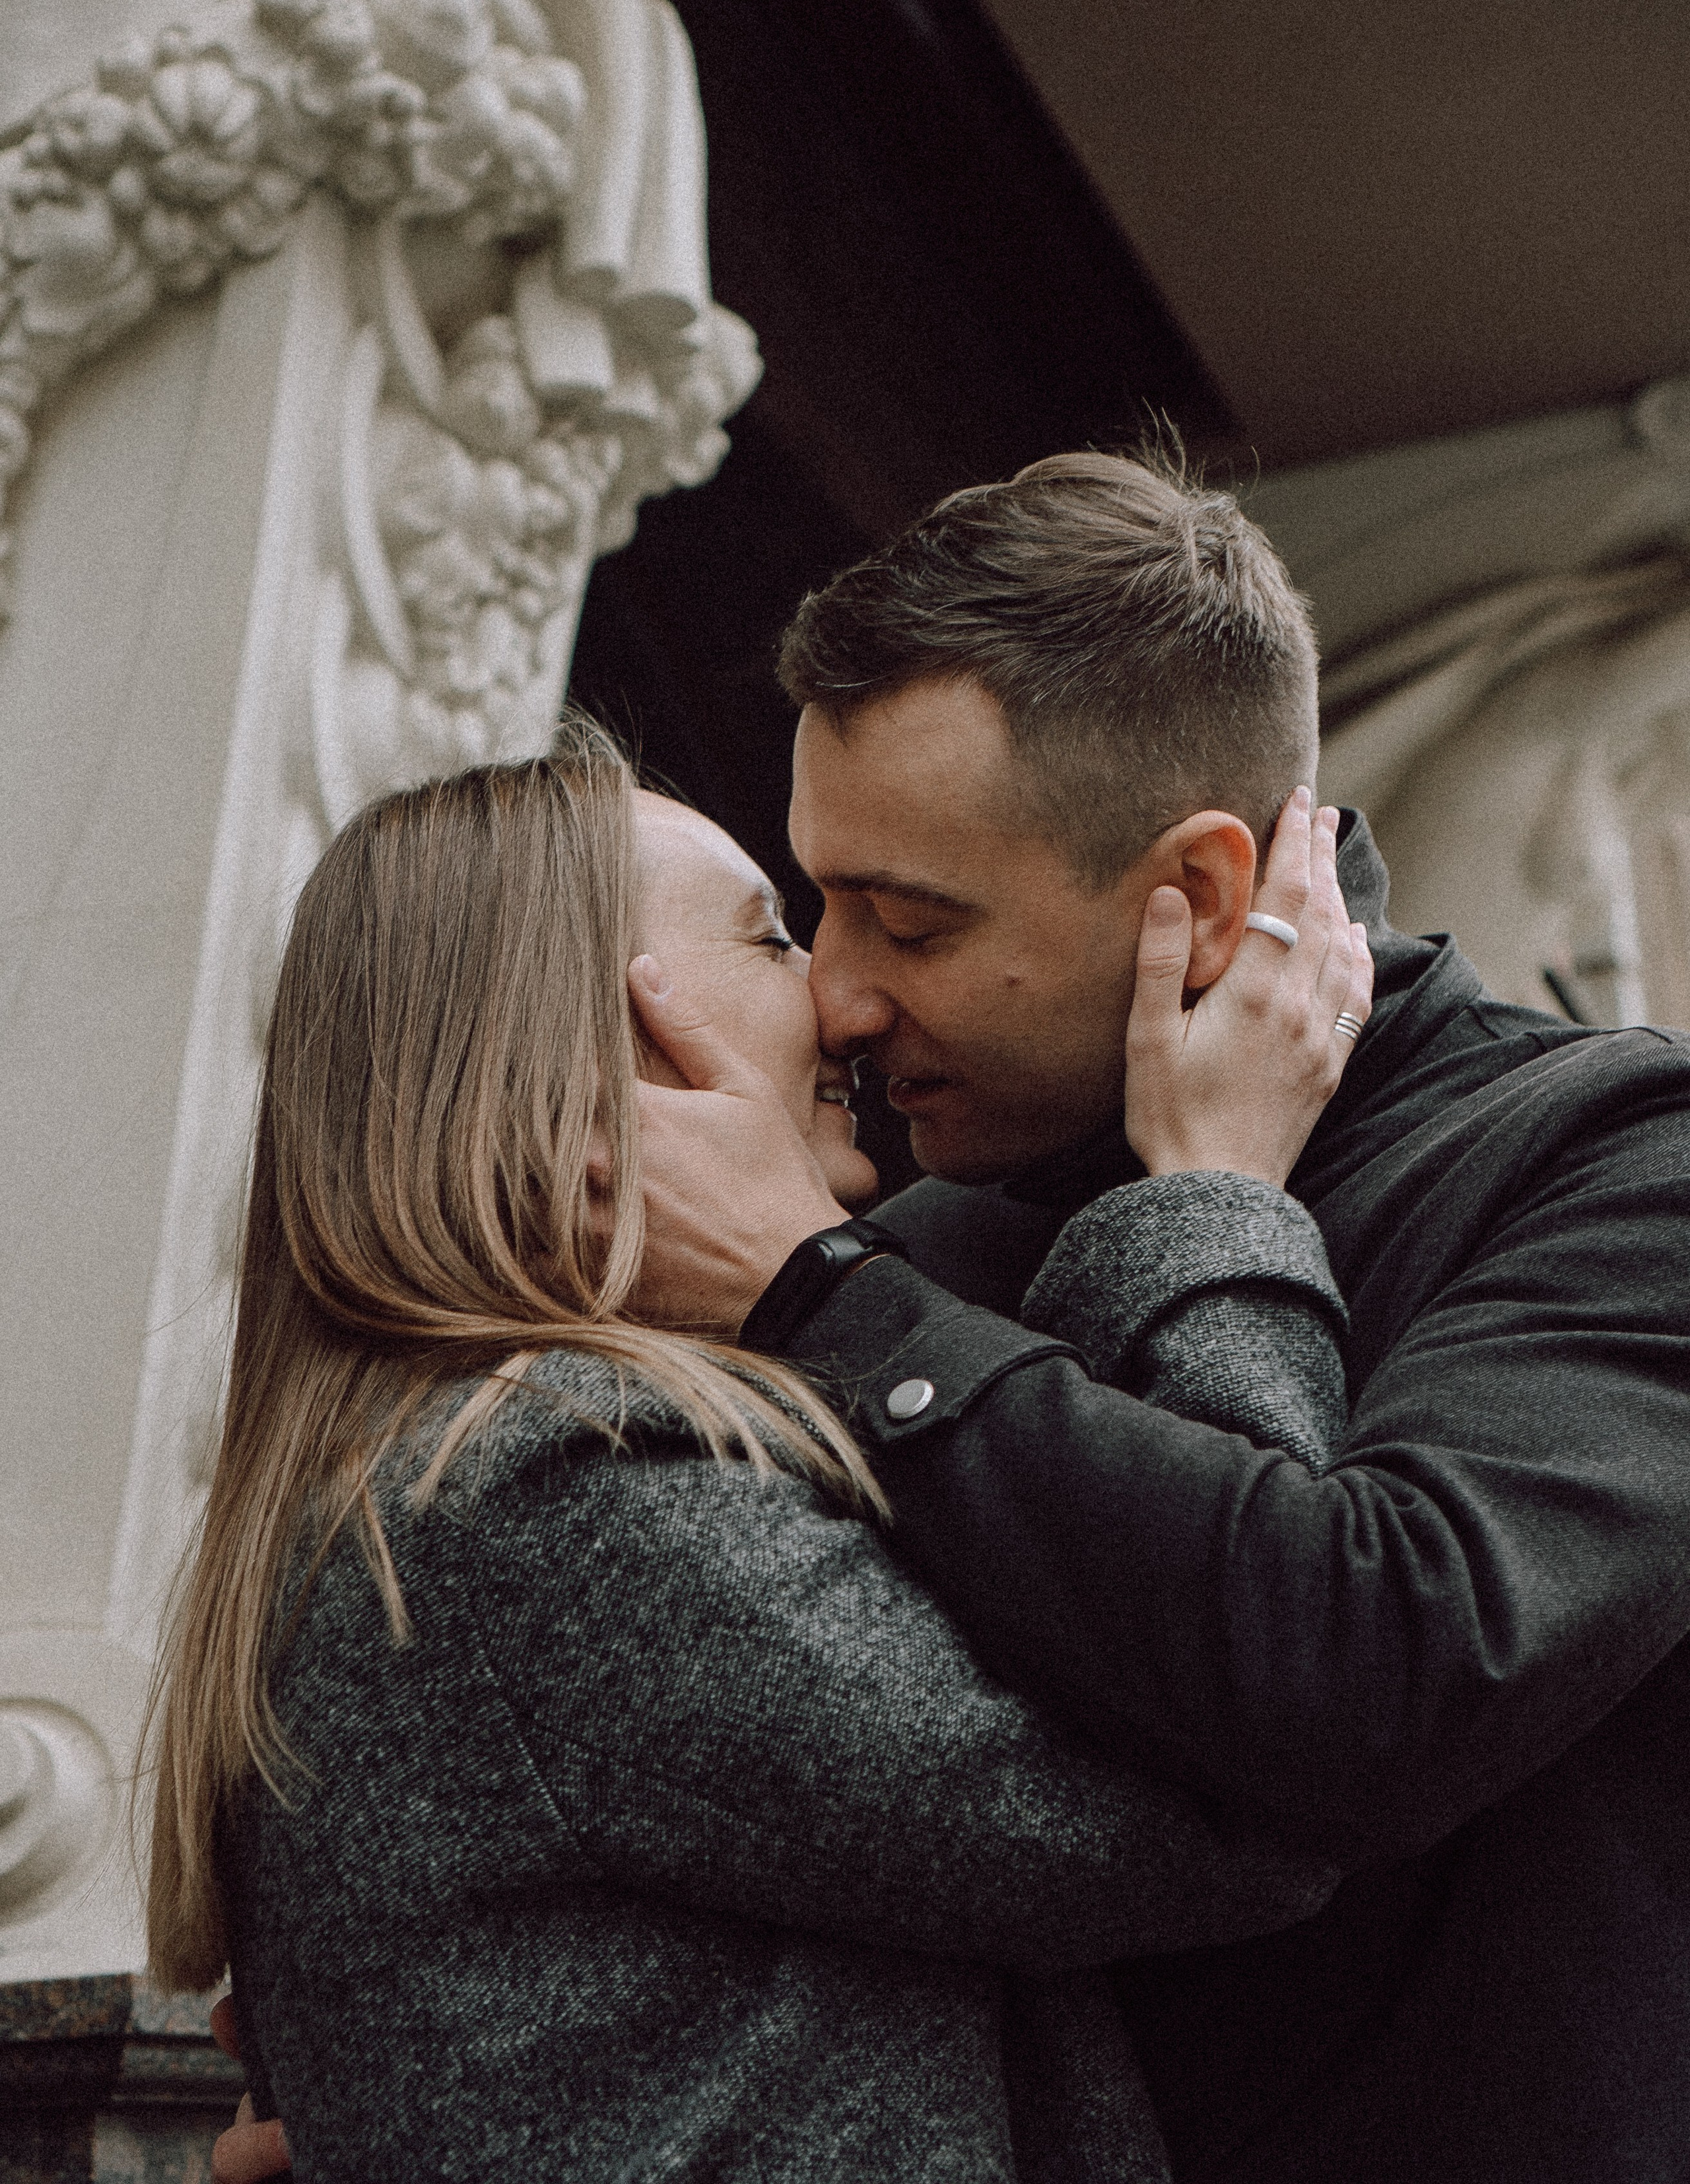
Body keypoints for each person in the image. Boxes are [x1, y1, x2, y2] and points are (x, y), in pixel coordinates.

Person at [629, 449, 1690, 2184]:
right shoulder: (925, 1245)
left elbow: (1380, 1674)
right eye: (820, 899)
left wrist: (823, 1305)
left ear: (1197, 895)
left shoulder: (1617, 1161)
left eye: (909, 919)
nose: (835, 990)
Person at [156, 709, 1376, 2184]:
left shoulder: (444, 1479)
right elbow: (1243, 1784)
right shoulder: (562, 1502)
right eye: (769, 942)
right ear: (582, 1061)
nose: (844, 1002)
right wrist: (1216, 1186)